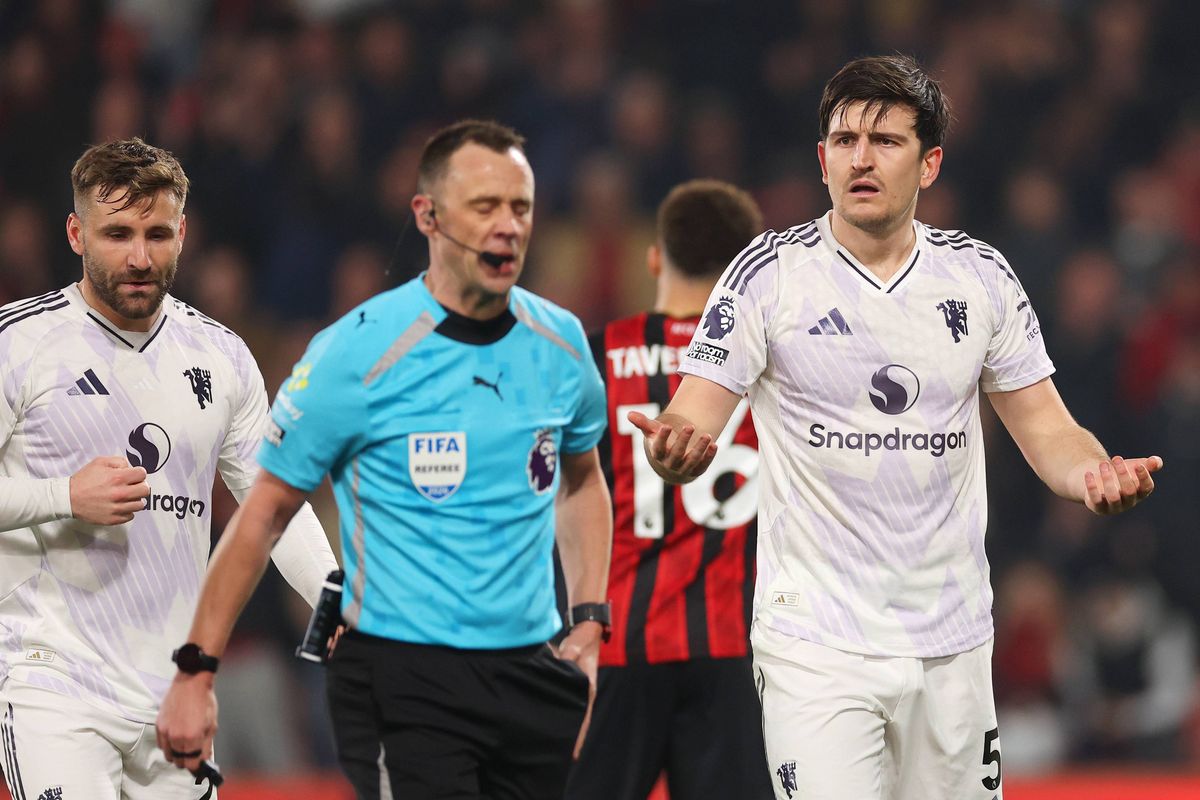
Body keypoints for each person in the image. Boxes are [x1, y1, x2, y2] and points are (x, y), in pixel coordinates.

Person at [629, 55, 1165, 800]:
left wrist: (1093, 474)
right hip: (816, 643)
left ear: (930, 162)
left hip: (951, 641)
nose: (861, 157)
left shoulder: (979, 279)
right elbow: (696, 409)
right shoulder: (769, 275)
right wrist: (680, 448)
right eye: (844, 140)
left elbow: (1047, 426)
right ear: (821, 160)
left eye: (885, 140)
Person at [156, 119, 613, 800]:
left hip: (531, 672)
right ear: (427, 215)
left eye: (520, 206)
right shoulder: (356, 354)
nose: (508, 226)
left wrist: (589, 620)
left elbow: (581, 481)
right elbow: (261, 518)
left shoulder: (562, 341)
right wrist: (196, 672)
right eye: (484, 206)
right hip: (407, 682)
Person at [0, 137, 338, 799]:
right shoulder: (19, 343)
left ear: (182, 232)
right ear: (76, 232)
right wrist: (62, 494)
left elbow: (271, 506)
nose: (138, 256)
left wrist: (334, 601)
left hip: (175, 691)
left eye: (157, 234)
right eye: (117, 233)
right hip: (53, 683)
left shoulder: (223, 358)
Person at [567, 179, 772, 799]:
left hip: (614, 649)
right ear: (747, 267)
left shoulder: (597, 357)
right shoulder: (771, 371)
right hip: (738, 654)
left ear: (654, 256)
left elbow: (558, 495)